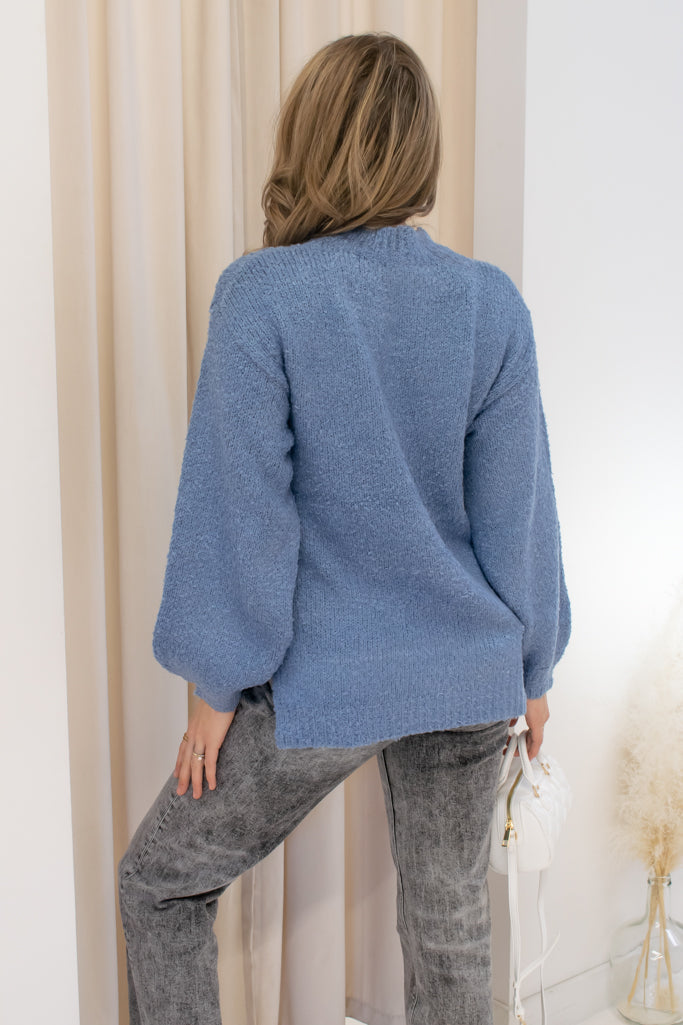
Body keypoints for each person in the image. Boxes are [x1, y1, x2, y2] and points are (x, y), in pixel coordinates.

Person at [118, 30, 571, 1025]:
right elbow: (520, 517)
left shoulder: (262, 294)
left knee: (159, 885)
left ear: (309, 137)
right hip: (465, 670)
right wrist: (531, 668)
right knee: (450, 926)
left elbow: (239, 512)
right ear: (420, 151)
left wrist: (214, 684)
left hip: (329, 671)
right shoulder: (488, 304)